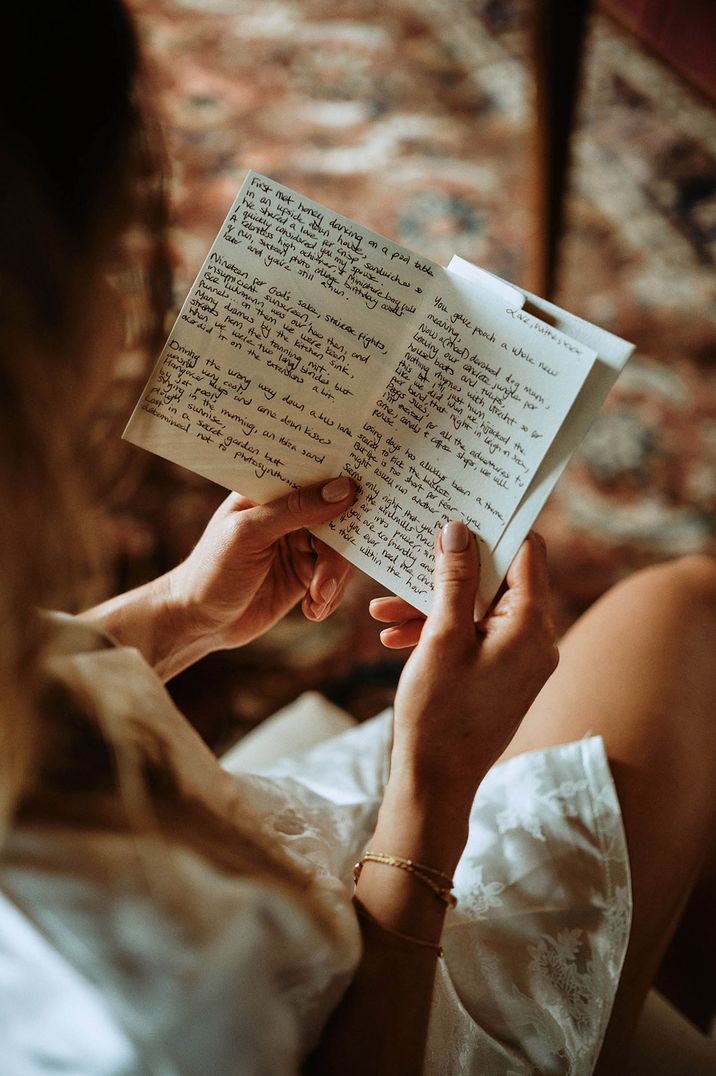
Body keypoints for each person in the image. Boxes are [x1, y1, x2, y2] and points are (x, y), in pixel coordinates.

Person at [1, 3, 715, 1073]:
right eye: (112, 260)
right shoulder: (135, 1006)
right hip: (378, 986)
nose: (121, 302)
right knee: (685, 606)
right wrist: (431, 794)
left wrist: (176, 615)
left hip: (258, 859)